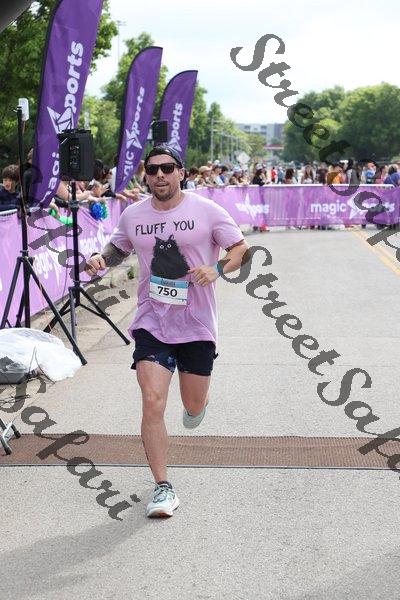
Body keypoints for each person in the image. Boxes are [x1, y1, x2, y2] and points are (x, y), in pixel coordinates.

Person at [85, 144, 249, 518]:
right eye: (153, 169)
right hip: (152, 321)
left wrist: (217, 269)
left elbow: (241, 249)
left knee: (192, 405)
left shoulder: (207, 210)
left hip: (197, 324)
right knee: (152, 398)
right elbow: (118, 248)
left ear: (181, 172)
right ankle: (163, 486)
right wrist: (100, 259)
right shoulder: (133, 215)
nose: (159, 174)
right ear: (146, 175)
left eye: (167, 168)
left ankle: (197, 404)